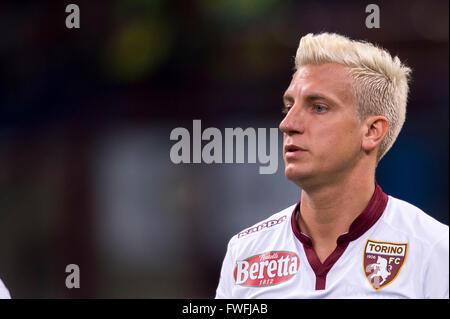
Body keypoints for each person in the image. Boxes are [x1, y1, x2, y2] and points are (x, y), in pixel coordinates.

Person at [215, 32, 449, 298]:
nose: (288, 124)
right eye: (289, 106)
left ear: (372, 131)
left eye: (318, 107)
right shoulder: (244, 252)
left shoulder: (436, 251)